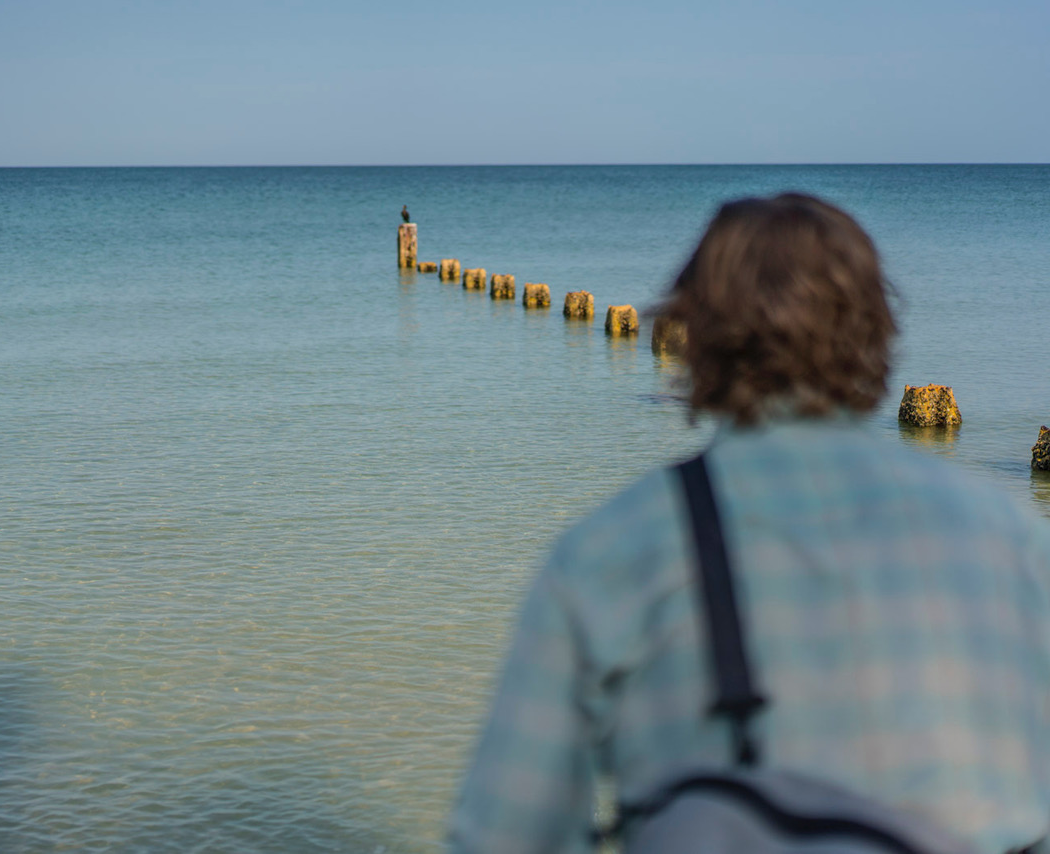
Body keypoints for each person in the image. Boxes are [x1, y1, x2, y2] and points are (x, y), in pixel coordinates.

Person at [447, 193, 1050, 854]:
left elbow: (502, 833)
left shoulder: (613, 549)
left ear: (691, 339)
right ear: (878, 331)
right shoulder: (1008, 538)